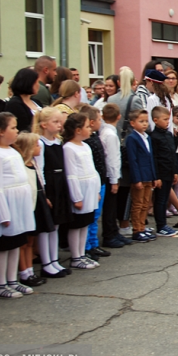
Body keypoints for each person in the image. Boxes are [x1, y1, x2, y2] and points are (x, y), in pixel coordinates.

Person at [0, 113, 35, 297]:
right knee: (3, 247)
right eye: (13, 128)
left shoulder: (12, 151)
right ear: (1, 132)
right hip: (6, 204)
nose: (17, 131)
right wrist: (3, 214)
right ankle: (0, 284)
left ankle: (13, 280)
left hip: (18, 204)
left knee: (15, 244)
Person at [32, 107, 71, 278]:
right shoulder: (40, 143)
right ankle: (46, 262)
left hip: (59, 183)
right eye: (55, 122)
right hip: (49, 185)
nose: (59, 125)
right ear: (44, 124)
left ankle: (54, 260)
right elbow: (39, 169)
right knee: (46, 227)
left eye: (59, 121)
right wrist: (44, 193)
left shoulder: (58, 142)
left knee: (56, 225)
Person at [62, 113, 102, 269]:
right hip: (80, 190)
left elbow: (92, 170)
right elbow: (71, 174)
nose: (90, 129)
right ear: (78, 130)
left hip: (90, 189)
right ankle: (76, 256)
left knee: (85, 223)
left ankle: (82, 253)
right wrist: (76, 197)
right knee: (76, 225)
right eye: (86, 126)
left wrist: (96, 190)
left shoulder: (85, 146)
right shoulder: (69, 148)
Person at [11, 132, 47, 287]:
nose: (39, 147)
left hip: (36, 202)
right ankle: (24, 271)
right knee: (24, 241)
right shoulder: (22, 166)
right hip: (26, 205)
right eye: (36, 145)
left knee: (31, 239)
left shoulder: (34, 163)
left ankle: (30, 270)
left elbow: (39, 183)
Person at [78, 105, 110, 261]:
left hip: (100, 180)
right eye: (98, 119)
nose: (101, 121)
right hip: (92, 183)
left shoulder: (95, 136)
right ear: (91, 122)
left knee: (96, 215)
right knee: (91, 216)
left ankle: (94, 243)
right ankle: (87, 246)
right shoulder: (87, 142)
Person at [125, 110, 159, 242]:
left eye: (146, 121)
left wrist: (154, 176)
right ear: (133, 123)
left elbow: (151, 158)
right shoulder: (132, 138)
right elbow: (133, 160)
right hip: (139, 176)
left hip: (148, 175)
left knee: (145, 203)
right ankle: (137, 229)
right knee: (137, 204)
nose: (145, 124)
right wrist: (137, 179)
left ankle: (143, 227)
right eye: (141, 121)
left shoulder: (147, 137)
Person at [98, 104, 128, 249]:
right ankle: (109, 234)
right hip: (111, 176)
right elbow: (112, 159)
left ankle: (114, 232)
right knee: (110, 207)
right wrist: (115, 179)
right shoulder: (109, 134)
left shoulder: (107, 131)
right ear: (119, 116)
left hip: (111, 175)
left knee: (113, 206)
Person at [149, 106, 178, 237]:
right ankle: (160, 225)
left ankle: (164, 224)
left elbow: (172, 154)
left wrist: (175, 171)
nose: (168, 121)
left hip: (169, 171)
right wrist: (156, 177)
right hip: (161, 173)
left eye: (169, 119)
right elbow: (154, 157)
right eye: (165, 119)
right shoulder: (153, 137)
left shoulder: (168, 134)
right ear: (155, 120)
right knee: (160, 200)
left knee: (165, 198)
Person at [5, 68, 42, 132]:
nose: (38, 85)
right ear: (28, 83)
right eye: (37, 82)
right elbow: (23, 127)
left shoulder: (37, 102)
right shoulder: (15, 104)